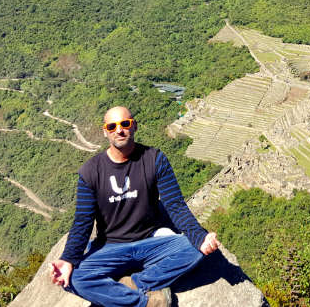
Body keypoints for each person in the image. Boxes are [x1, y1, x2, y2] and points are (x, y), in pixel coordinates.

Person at [50, 106, 222, 307]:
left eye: (125, 124)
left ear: (134, 126)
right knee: (73, 278)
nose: (119, 130)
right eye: (112, 126)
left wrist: (199, 236)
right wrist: (68, 259)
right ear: (105, 131)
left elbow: (175, 205)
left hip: (150, 241)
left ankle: (134, 283)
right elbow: (83, 221)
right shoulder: (90, 171)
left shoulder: (155, 159)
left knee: (197, 248)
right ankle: (145, 302)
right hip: (110, 247)